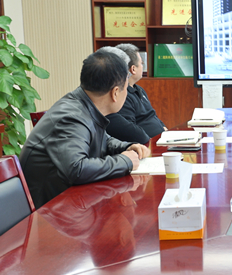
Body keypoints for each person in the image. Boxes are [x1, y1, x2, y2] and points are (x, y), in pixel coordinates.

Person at [20, 50, 150, 209]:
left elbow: (103, 139)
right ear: (115, 93)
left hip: (71, 203)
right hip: (50, 212)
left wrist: (126, 147)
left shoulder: (85, 105)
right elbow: (77, 169)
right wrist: (125, 161)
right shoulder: (71, 117)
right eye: (125, 88)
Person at [104, 43, 167, 144]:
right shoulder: (122, 95)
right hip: (146, 146)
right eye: (141, 63)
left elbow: (152, 115)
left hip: (162, 140)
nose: (143, 66)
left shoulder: (139, 89)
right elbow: (130, 132)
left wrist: (164, 129)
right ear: (133, 69)